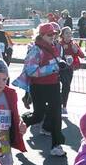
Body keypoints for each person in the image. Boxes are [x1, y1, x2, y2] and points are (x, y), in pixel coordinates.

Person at [19, 22, 66, 156]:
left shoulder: (54, 47)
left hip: (54, 86)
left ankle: (56, 146)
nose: (53, 36)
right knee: (38, 115)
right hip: (38, 87)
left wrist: (62, 64)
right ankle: (22, 122)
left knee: (57, 115)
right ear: (42, 35)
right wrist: (53, 68)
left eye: (54, 34)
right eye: (49, 34)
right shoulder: (35, 50)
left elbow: (56, 63)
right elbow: (31, 70)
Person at [58, 26, 86, 115]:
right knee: (56, 87)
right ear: (62, 35)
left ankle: (64, 106)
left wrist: (76, 50)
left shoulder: (74, 43)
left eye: (70, 33)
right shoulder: (59, 44)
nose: (69, 35)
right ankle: (57, 103)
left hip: (69, 69)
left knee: (66, 87)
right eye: (67, 33)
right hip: (59, 69)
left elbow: (82, 55)